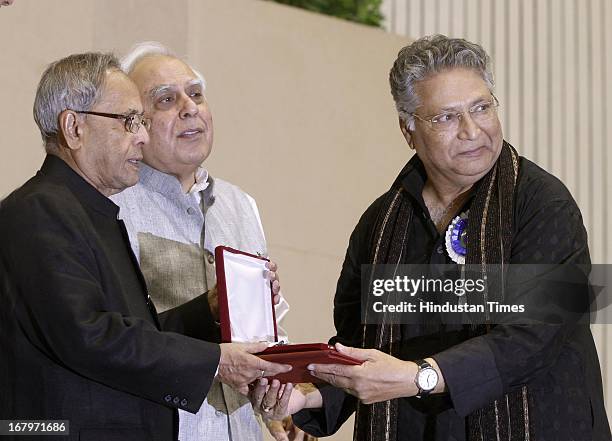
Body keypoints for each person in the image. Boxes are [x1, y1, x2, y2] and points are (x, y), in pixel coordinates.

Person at [249, 35, 611, 441]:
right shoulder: (380, 223)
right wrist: (307, 397)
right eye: (447, 117)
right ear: (408, 130)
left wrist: (417, 376)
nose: (472, 131)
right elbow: (360, 345)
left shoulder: (544, 203)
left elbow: (534, 335)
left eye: (482, 107)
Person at [0, 51, 290, 441]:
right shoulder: (38, 210)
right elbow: (89, 335)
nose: (141, 135)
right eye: (128, 121)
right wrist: (215, 363)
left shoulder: (90, 210)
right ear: (73, 128)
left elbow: (136, 331)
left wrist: (208, 310)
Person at [110, 41, 293, 441]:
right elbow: (109, 340)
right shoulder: (113, 204)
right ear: (133, 123)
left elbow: (265, 331)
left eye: (195, 94)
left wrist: (278, 399)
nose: (190, 108)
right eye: (165, 100)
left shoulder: (241, 205)